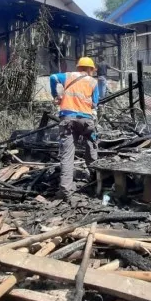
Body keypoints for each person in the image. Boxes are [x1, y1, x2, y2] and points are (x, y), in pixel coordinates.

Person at [49, 57, 100, 198]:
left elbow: (53, 77)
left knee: (67, 154)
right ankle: (96, 182)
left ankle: (65, 190)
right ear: (90, 69)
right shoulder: (93, 82)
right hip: (87, 120)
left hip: (67, 119)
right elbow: (95, 103)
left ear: (78, 67)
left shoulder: (68, 76)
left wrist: (56, 94)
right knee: (91, 150)